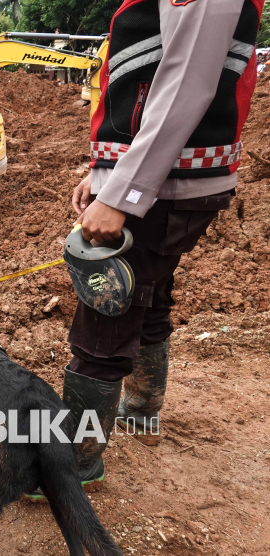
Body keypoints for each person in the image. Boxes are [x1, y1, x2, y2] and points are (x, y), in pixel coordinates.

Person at [66, 0, 262, 484]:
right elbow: (143, 80)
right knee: (147, 292)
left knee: (104, 318)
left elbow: (183, 86)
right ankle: (141, 409)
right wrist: (104, 172)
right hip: (165, 180)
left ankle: (71, 467)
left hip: (164, 185)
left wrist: (123, 194)